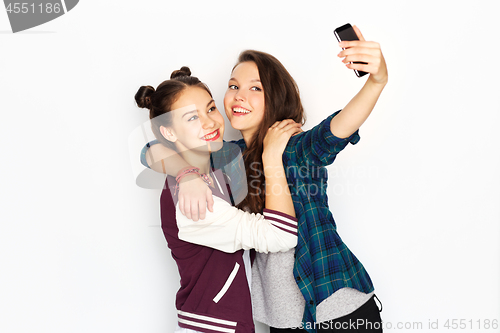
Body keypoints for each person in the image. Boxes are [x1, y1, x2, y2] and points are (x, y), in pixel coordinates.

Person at [143, 26, 388, 332]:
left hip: (336, 307)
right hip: (282, 320)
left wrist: (376, 82)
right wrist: (186, 172)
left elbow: (335, 130)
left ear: (275, 97)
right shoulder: (226, 156)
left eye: (255, 88)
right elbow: (151, 149)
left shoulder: (295, 148)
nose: (239, 96)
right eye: (233, 86)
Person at [135, 67, 302, 333]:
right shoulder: (192, 202)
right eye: (191, 118)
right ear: (169, 133)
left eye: (210, 109)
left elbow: (149, 151)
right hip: (212, 325)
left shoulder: (218, 167)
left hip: (225, 321)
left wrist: (185, 172)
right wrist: (271, 158)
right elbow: (280, 236)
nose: (210, 122)